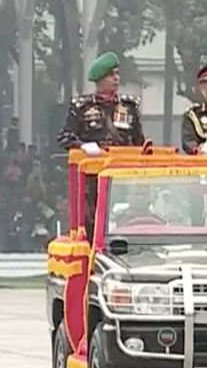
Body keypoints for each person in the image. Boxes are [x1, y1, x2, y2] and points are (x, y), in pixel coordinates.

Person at [55, 51, 146, 237]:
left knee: (126, 224)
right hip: (92, 178)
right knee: (92, 223)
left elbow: (138, 141)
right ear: (99, 79)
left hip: (123, 177)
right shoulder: (82, 106)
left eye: (117, 74)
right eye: (111, 75)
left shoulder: (129, 106)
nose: (116, 79)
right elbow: (64, 138)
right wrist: (82, 145)